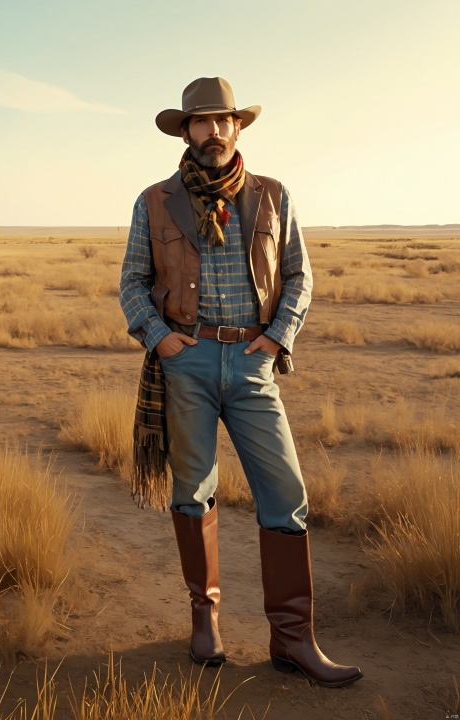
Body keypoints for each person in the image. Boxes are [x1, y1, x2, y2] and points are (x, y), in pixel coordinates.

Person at [120, 77, 363, 688]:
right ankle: (205, 621)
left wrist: (278, 336)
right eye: (200, 123)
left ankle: (293, 639)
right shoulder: (154, 201)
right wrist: (164, 340)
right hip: (188, 362)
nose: (213, 131)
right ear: (185, 131)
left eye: (223, 120)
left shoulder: (273, 196)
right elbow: (131, 283)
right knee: (192, 490)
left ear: (238, 126)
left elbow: (299, 275)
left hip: (253, 364)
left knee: (286, 494)